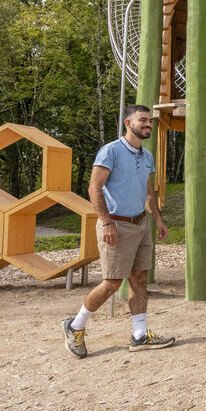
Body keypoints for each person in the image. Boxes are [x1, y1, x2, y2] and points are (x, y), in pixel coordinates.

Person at [62, 105, 174, 357]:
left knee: (139, 279)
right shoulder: (111, 151)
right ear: (128, 123)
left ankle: (140, 335)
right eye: (142, 120)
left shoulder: (147, 156)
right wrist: (106, 222)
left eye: (149, 121)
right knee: (112, 283)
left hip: (141, 224)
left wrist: (157, 220)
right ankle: (75, 325)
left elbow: (148, 193)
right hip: (116, 224)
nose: (147, 124)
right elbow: (94, 187)